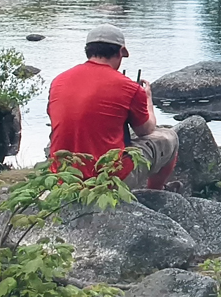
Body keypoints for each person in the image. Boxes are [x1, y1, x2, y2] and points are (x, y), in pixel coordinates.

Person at [46, 24, 179, 190]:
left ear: (87, 50)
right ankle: (155, 193)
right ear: (120, 52)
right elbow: (145, 130)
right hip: (106, 178)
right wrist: (147, 100)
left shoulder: (58, 81)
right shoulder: (130, 87)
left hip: (62, 176)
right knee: (169, 137)